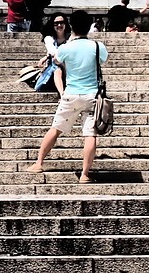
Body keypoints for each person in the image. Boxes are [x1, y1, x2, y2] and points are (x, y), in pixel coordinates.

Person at [27, 10, 108, 183]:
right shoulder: (97, 46)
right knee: (90, 134)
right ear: (89, 26)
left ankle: (39, 162)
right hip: (92, 95)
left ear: (72, 26)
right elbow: (102, 60)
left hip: (71, 93)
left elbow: (56, 60)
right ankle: (85, 174)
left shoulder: (65, 48)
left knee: (55, 129)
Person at [36, 13, 70, 95]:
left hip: (69, 67)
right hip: (52, 73)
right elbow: (54, 52)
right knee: (57, 68)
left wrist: (46, 56)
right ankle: (62, 95)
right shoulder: (49, 38)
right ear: (52, 25)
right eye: (56, 23)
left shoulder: (70, 38)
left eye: (61, 22)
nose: (59, 25)